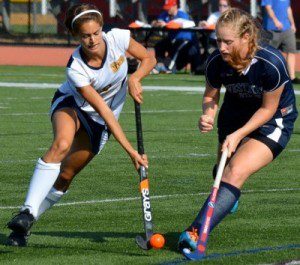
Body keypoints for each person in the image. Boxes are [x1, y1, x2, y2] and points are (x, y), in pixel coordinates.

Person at [6, 3, 156, 247]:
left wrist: (135, 78)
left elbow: (148, 58)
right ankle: (27, 210)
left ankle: (24, 226)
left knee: (65, 175)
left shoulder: (118, 37)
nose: (93, 40)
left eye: (96, 32)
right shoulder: (76, 68)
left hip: (99, 124)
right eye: (85, 36)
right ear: (77, 36)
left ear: (101, 28)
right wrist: (131, 151)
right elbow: (104, 109)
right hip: (73, 106)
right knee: (62, 143)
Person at [178, 8, 298, 251]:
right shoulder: (215, 61)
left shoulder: (271, 63)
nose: (221, 47)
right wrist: (208, 115)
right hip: (233, 117)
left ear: (246, 37)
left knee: (234, 171)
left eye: (227, 42)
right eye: (218, 40)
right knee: (222, 175)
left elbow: (267, 110)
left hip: (273, 121)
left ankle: (195, 233)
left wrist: (239, 134)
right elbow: (210, 97)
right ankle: (228, 195)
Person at [151, 0, 202, 74]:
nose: (167, 10)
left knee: (176, 49)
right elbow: (155, 22)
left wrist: (166, 24)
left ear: (175, 6)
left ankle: (168, 68)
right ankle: (159, 64)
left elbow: (186, 24)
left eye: (169, 7)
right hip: (172, 39)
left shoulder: (182, 15)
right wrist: (157, 23)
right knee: (159, 45)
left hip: (184, 39)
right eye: (166, 8)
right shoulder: (165, 14)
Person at [261, 0, 300, 84]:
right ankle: (267, 76)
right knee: (268, 54)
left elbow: (288, 8)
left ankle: (292, 78)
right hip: (271, 30)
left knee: (291, 52)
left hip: (287, 29)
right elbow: (268, 8)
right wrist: (276, 21)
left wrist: (292, 24)